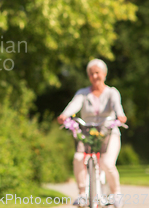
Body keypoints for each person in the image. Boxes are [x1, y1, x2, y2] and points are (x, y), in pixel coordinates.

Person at [57, 59, 127, 207]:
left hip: (109, 132)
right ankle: (82, 193)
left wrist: (120, 116)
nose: (94, 76)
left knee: (107, 163)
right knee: (78, 157)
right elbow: (73, 105)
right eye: (91, 73)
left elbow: (117, 105)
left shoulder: (111, 92)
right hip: (87, 132)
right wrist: (64, 115)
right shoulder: (83, 93)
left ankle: (116, 194)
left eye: (97, 73)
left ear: (104, 74)